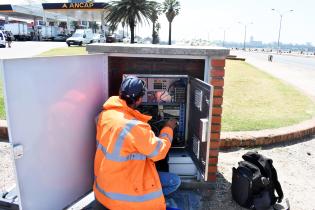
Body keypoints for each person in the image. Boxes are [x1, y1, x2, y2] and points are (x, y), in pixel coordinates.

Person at [93, 76, 181, 210]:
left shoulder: (105, 115)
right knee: (174, 181)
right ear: (140, 99)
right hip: (124, 199)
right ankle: (149, 203)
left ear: (120, 92)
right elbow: (159, 152)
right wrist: (168, 128)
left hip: (104, 191)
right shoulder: (135, 127)